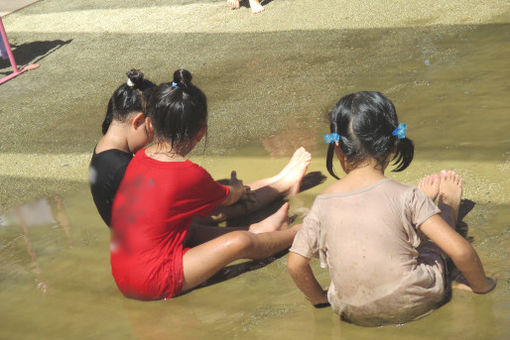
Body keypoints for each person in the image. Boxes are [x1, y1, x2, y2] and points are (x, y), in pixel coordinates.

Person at [286, 91, 496, 326]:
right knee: (432, 246)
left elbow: (295, 264)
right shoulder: (405, 195)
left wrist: (321, 300)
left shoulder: (323, 203)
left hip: (352, 312)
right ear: (394, 144)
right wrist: (483, 287)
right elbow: (461, 252)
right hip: (416, 299)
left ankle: (418, 216)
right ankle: (447, 208)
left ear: (338, 149)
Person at [110, 69, 308, 300]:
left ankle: (261, 228)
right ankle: (296, 232)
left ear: (150, 125)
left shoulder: (140, 159)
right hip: (152, 280)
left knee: (187, 227)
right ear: (201, 133)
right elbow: (230, 198)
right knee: (238, 243)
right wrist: (235, 188)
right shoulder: (188, 173)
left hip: (124, 274)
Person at [89, 69, 156, 227]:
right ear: (138, 121)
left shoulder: (103, 149)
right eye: (154, 128)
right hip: (145, 245)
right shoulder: (122, 168)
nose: (154, 137)